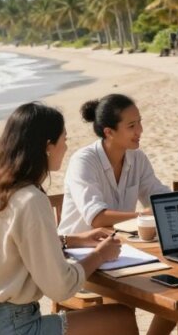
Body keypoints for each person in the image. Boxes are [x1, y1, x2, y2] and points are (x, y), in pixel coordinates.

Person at [0, 102, 139, 335]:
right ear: (47, 147)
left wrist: (74, 240)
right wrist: (99, 255)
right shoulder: (31, 199)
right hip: (12, 333)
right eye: (63, 139)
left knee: (114, 321)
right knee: (121, 320)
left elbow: (15, 248)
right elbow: (60, 287)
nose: (65, 147)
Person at [58, 94, 170, 234]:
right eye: (131, 126)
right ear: (109, 132)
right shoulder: (83, 162)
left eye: (139, 122)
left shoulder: (138, 158)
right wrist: (144, 216)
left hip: (118, 245)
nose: (140, 130)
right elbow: (97, 218)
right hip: (78, 251)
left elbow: (161, 197)